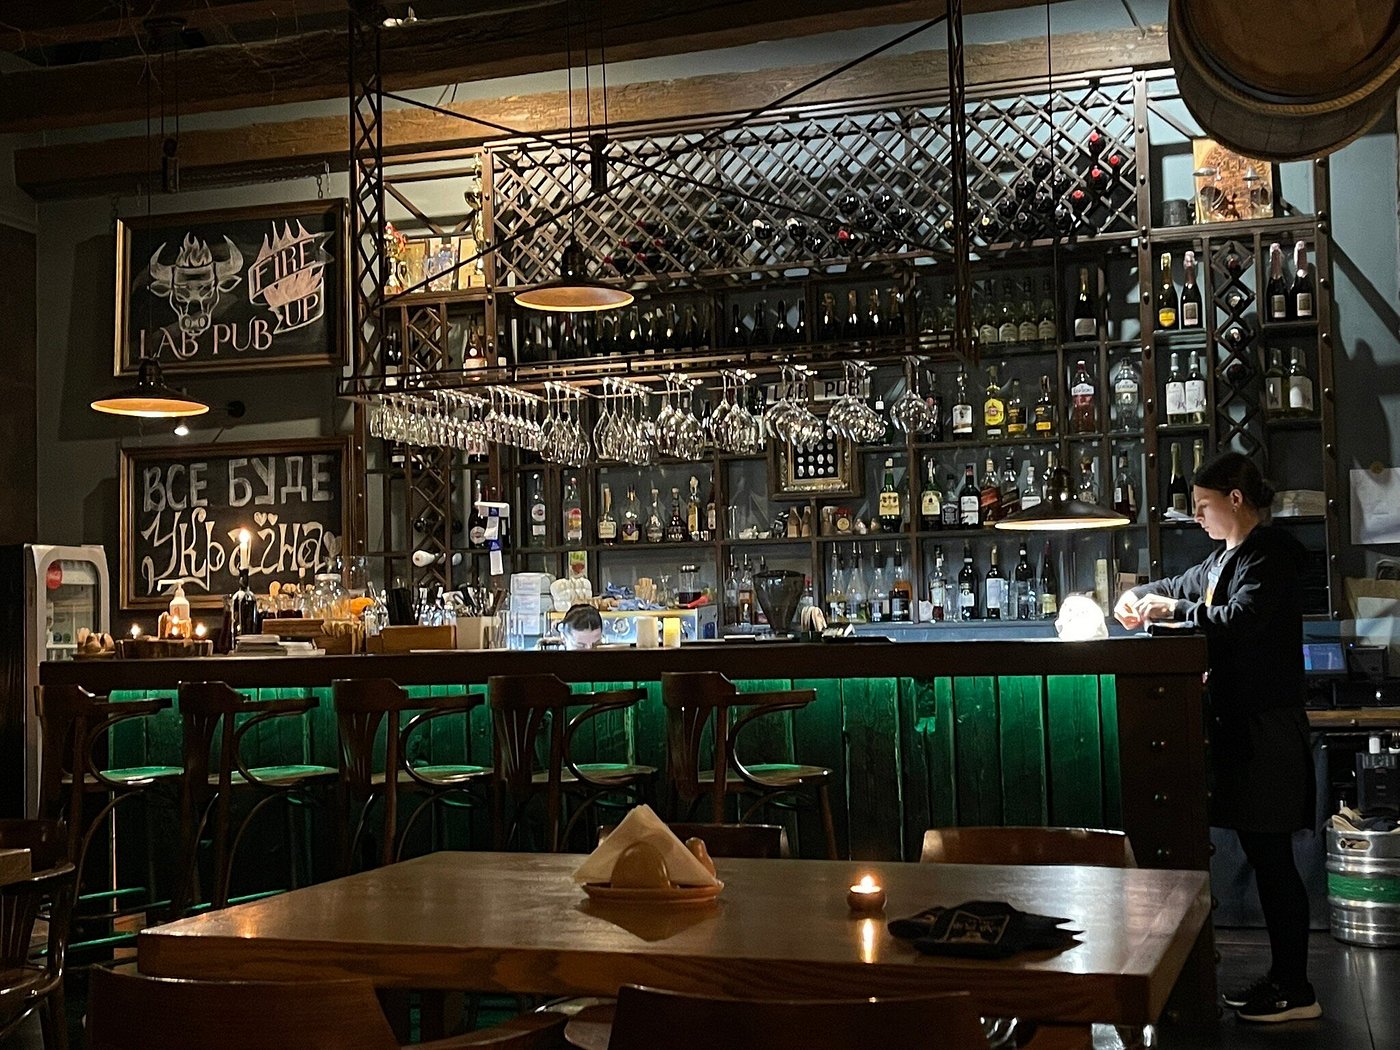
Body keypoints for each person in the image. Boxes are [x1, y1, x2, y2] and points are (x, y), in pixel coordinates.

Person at [1113, 451, 1319, 1024]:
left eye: (1203, 505)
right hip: (1243, 729)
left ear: (1235, 499)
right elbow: (1175, 585)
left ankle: (1297, 989)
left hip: (1267, 728)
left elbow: (1240, 621)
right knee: (1262, 853)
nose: (1196, 515)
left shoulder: (1270, 555)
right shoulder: (1223, 558)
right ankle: (1283, 978)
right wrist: (1137, 596)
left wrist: (1174, 609)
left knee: (1273, 860)